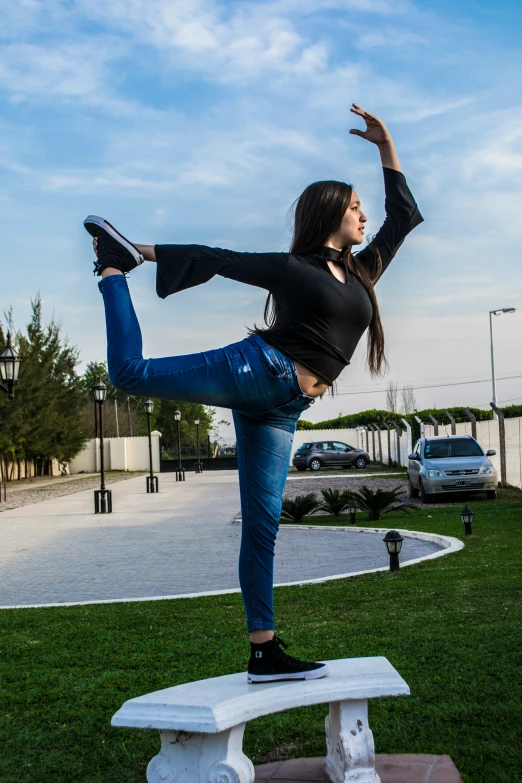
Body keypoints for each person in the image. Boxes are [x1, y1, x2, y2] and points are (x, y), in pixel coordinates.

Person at [84, 104, 423, 683]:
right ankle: (113, 272)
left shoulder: (365, 271)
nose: (364, 216)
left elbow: (406, 215)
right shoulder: (295, 268)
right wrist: (140, 253)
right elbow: (221, 259)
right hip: (257, 370)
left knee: (263, 526)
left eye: (364, 208)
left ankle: (263, 650)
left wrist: (386, 145)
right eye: (355, 207)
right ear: (330, 213)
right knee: (130, 374)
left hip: (283, 409)